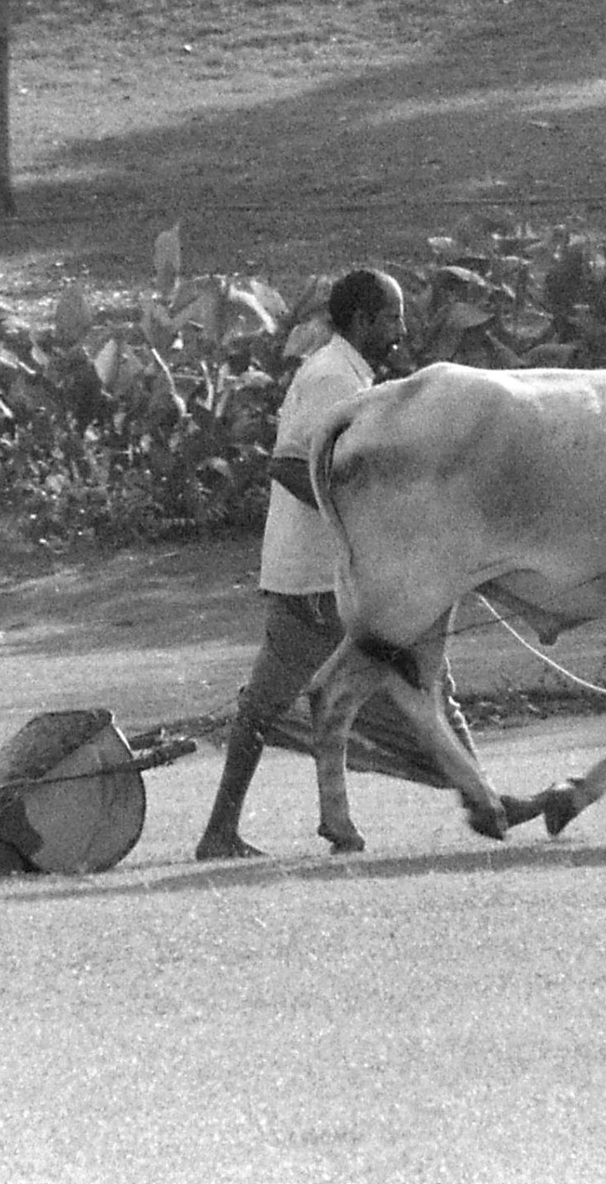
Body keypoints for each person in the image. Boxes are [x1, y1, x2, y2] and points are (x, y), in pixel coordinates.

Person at [195, 268, 478, 860]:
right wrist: (360, 522)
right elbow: (289, 464)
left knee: (271, 706)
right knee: (422, 681)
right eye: (392, 318)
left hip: (324, 574)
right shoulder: (331, 378)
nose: (402, 330)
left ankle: (223, 832)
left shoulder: (351, 374)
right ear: (362, 320)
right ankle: (487, 801)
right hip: (318, 580)